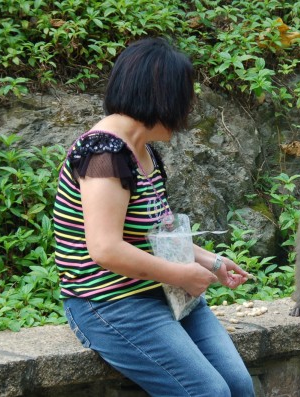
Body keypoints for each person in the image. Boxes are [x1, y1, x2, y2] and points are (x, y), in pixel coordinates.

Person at [53, 37, 255, 397]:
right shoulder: (103, 153)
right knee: (209, 393)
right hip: (110, 303)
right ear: (162, 97)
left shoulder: (144, 154)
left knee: (238, 385)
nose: (186, 113)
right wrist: (181, 274)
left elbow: (159, 235)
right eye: (184, 100)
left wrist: (212, 262)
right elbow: (105, 249)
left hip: (164, 294)